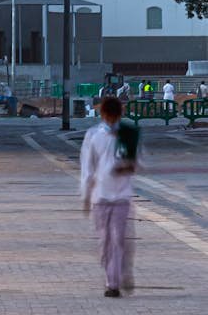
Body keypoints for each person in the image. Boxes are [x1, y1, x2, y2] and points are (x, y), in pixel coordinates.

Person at [81, 95, 138, 297]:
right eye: (109, 116)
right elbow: (87, 168)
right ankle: (112, 275)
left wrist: (128, 168)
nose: (112, 121)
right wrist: (86, 196)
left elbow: (139, 161)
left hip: (122, 196)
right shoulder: (93, 135)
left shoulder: (128, 134)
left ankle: (113, 283)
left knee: (119, 239)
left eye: (115, 117)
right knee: (104, 241)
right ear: (103, 114)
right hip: (101, 197)